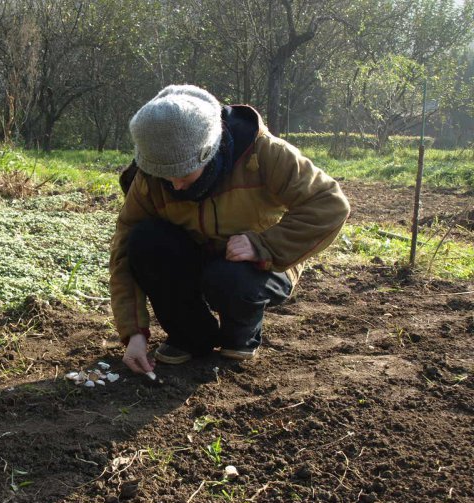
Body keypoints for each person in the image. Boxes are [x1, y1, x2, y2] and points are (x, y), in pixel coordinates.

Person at [110, 85, 350, 375]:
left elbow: (330, 204)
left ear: (207, 152)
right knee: (145, 240)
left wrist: (265, 245)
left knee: (229, 277)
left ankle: (240, 335)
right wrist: (134, 332)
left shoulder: (264, 153)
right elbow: (125, 249)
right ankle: (191, 337)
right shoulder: (148, 178)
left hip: (256, 267)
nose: (174, 185)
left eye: (183, 174)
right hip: (196, 259)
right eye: (164, 177)